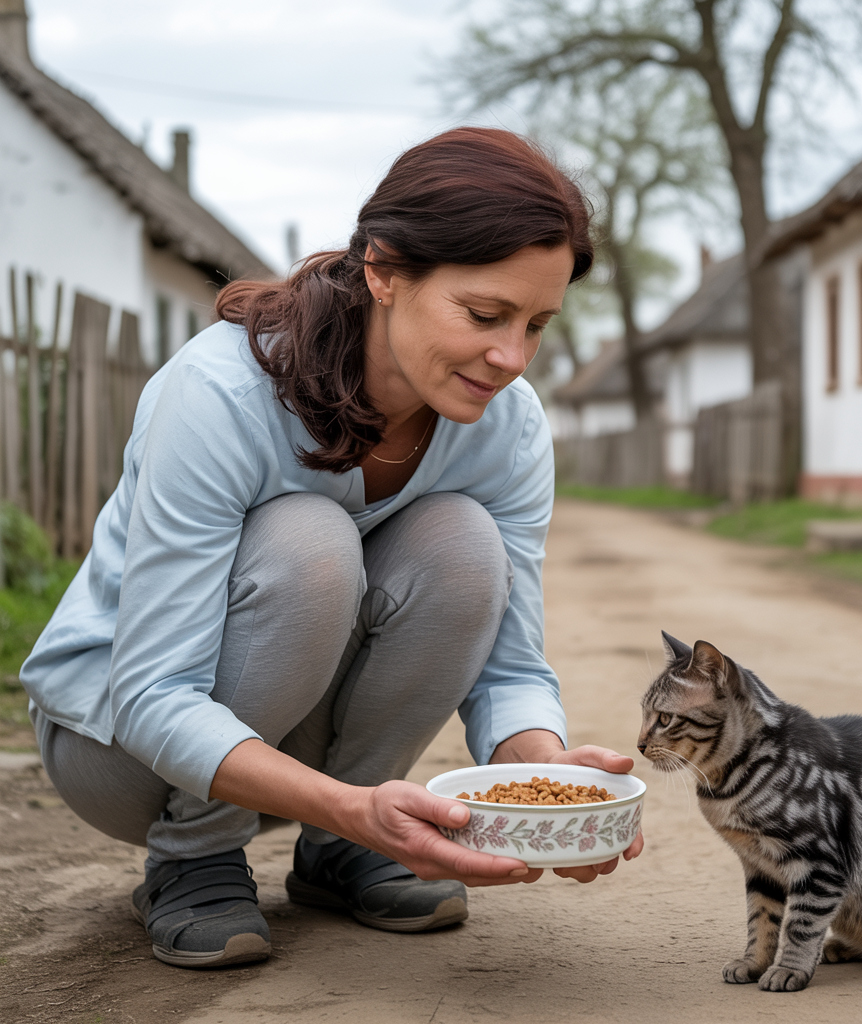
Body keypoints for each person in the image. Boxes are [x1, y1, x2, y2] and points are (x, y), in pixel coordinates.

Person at [20, 127, 642, 970]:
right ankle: (196, 856)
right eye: (486, 315)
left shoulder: (509, 426)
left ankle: (339, 853)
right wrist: (352, 805)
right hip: (119, 752)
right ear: (383, 271)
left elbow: (511, 666)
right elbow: (150, 692)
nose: (511, 358)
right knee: (309, 539)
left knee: (465, 542)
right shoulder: (220, 394)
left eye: (537, 324)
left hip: (299, 749)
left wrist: (549, 778)